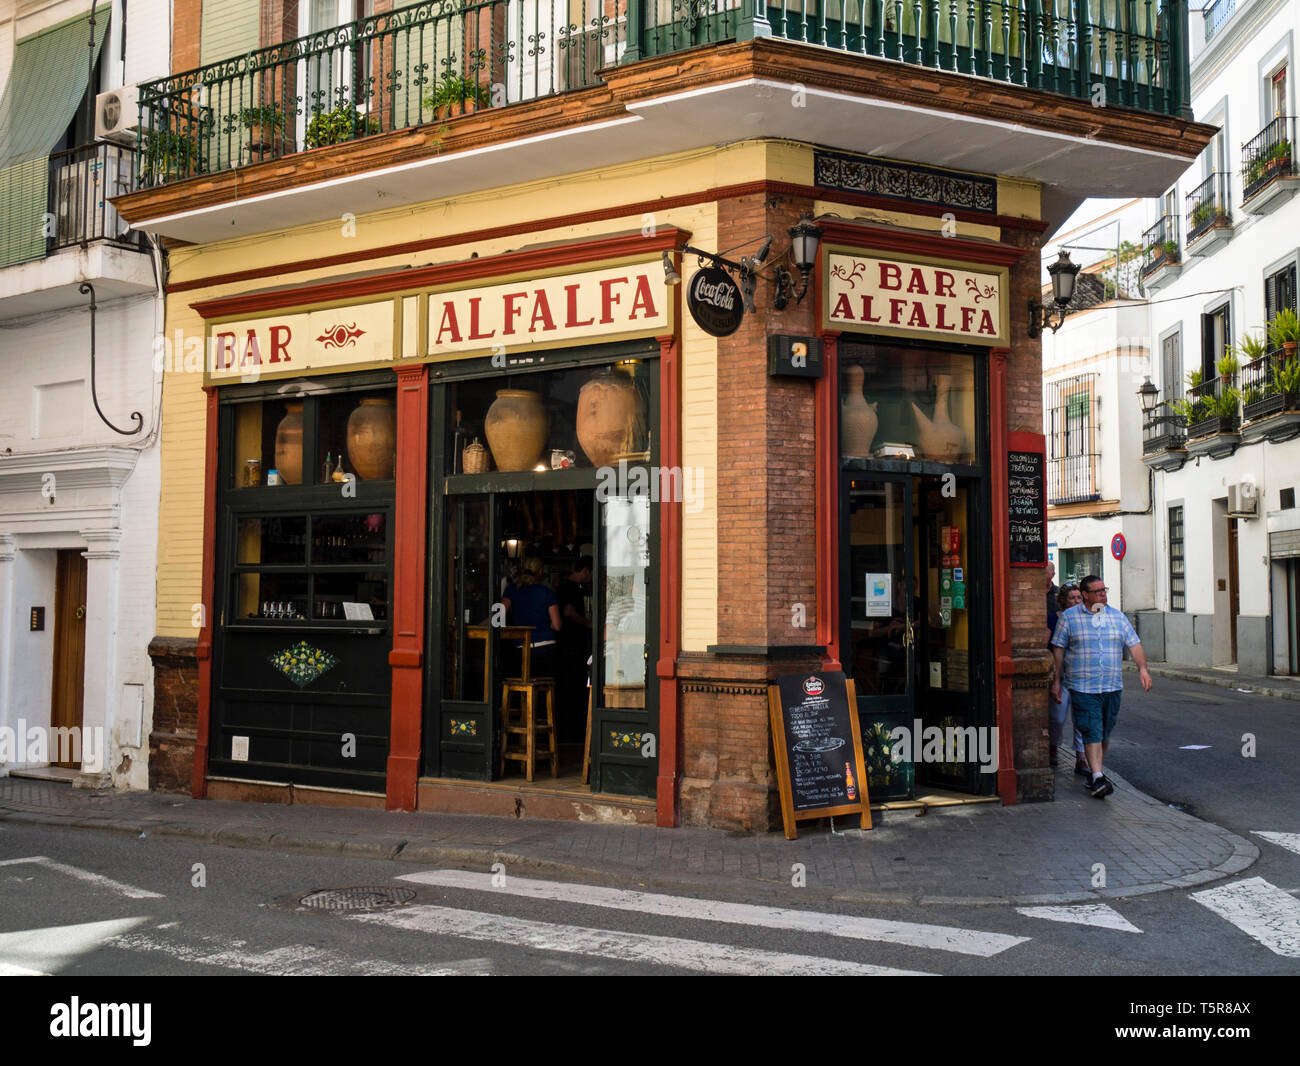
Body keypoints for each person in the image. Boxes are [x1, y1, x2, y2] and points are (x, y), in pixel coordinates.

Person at [1050, 575, 1152, 799]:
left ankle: (1096, 774)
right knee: (1091, 729)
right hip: (1082, 685)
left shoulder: (1116, 617)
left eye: (1104, 590)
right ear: (1085, 595)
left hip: (1112, 685)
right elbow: (1058, 648)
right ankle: (1097, 775)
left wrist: (1143, 668)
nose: (1102, 594)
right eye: (1097, 591)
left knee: (1104, 732)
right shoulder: (1069, 618)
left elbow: (1134, 643)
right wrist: (1057, 680)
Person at [1047, 584, 1088, 774]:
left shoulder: (1086, 620)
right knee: (1057, 717)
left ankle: (1081, 758)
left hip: (1081, 677)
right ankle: (1053, 747)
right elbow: (1047, 645)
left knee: (1082, 719)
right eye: (1072, 598)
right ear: (1063, 600)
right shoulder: (1054, 619)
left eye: (1079, 598)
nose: (1076, 601)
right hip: (1061, 677)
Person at [501, 556, 561, 680]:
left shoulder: (511, 590)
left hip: (521, 647)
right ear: (539, 572)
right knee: (545, 687)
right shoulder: (546, 592)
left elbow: (498, 616)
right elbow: (557, 625)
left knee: (522, 685)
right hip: (545, 646)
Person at [555, 556, 593, 742]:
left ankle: (564, 731)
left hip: (563, 644)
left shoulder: (562, 585)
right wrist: (587, 622)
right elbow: (568, 612)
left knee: (566, 687)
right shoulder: (573, 589)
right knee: (574, 687)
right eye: (590, 574)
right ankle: (573, 732)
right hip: (573, 645)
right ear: (585, 571)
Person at [1044, 561, 1059, 643]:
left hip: (1055, 633)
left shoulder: (1059, 593)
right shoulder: (1034, 593)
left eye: (1045, 572)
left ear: (1053, 574)